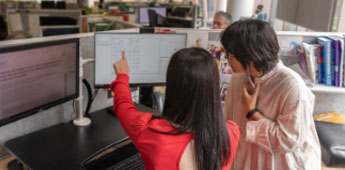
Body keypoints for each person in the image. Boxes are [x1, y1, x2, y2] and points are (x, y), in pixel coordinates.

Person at [111, 48, 240, 170]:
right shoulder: (231, 133)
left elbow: (123, 105)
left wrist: (122, 76)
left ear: (173, 86)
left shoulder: (150, 133)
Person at [221, 19, 321, 170]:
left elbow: (289, 141)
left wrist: (253, 112)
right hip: (247, 159)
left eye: (231, 54)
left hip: (282, 163)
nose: (227, 59)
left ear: (251, 55)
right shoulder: (239, 77)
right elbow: (228, 121)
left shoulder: (292, 87)